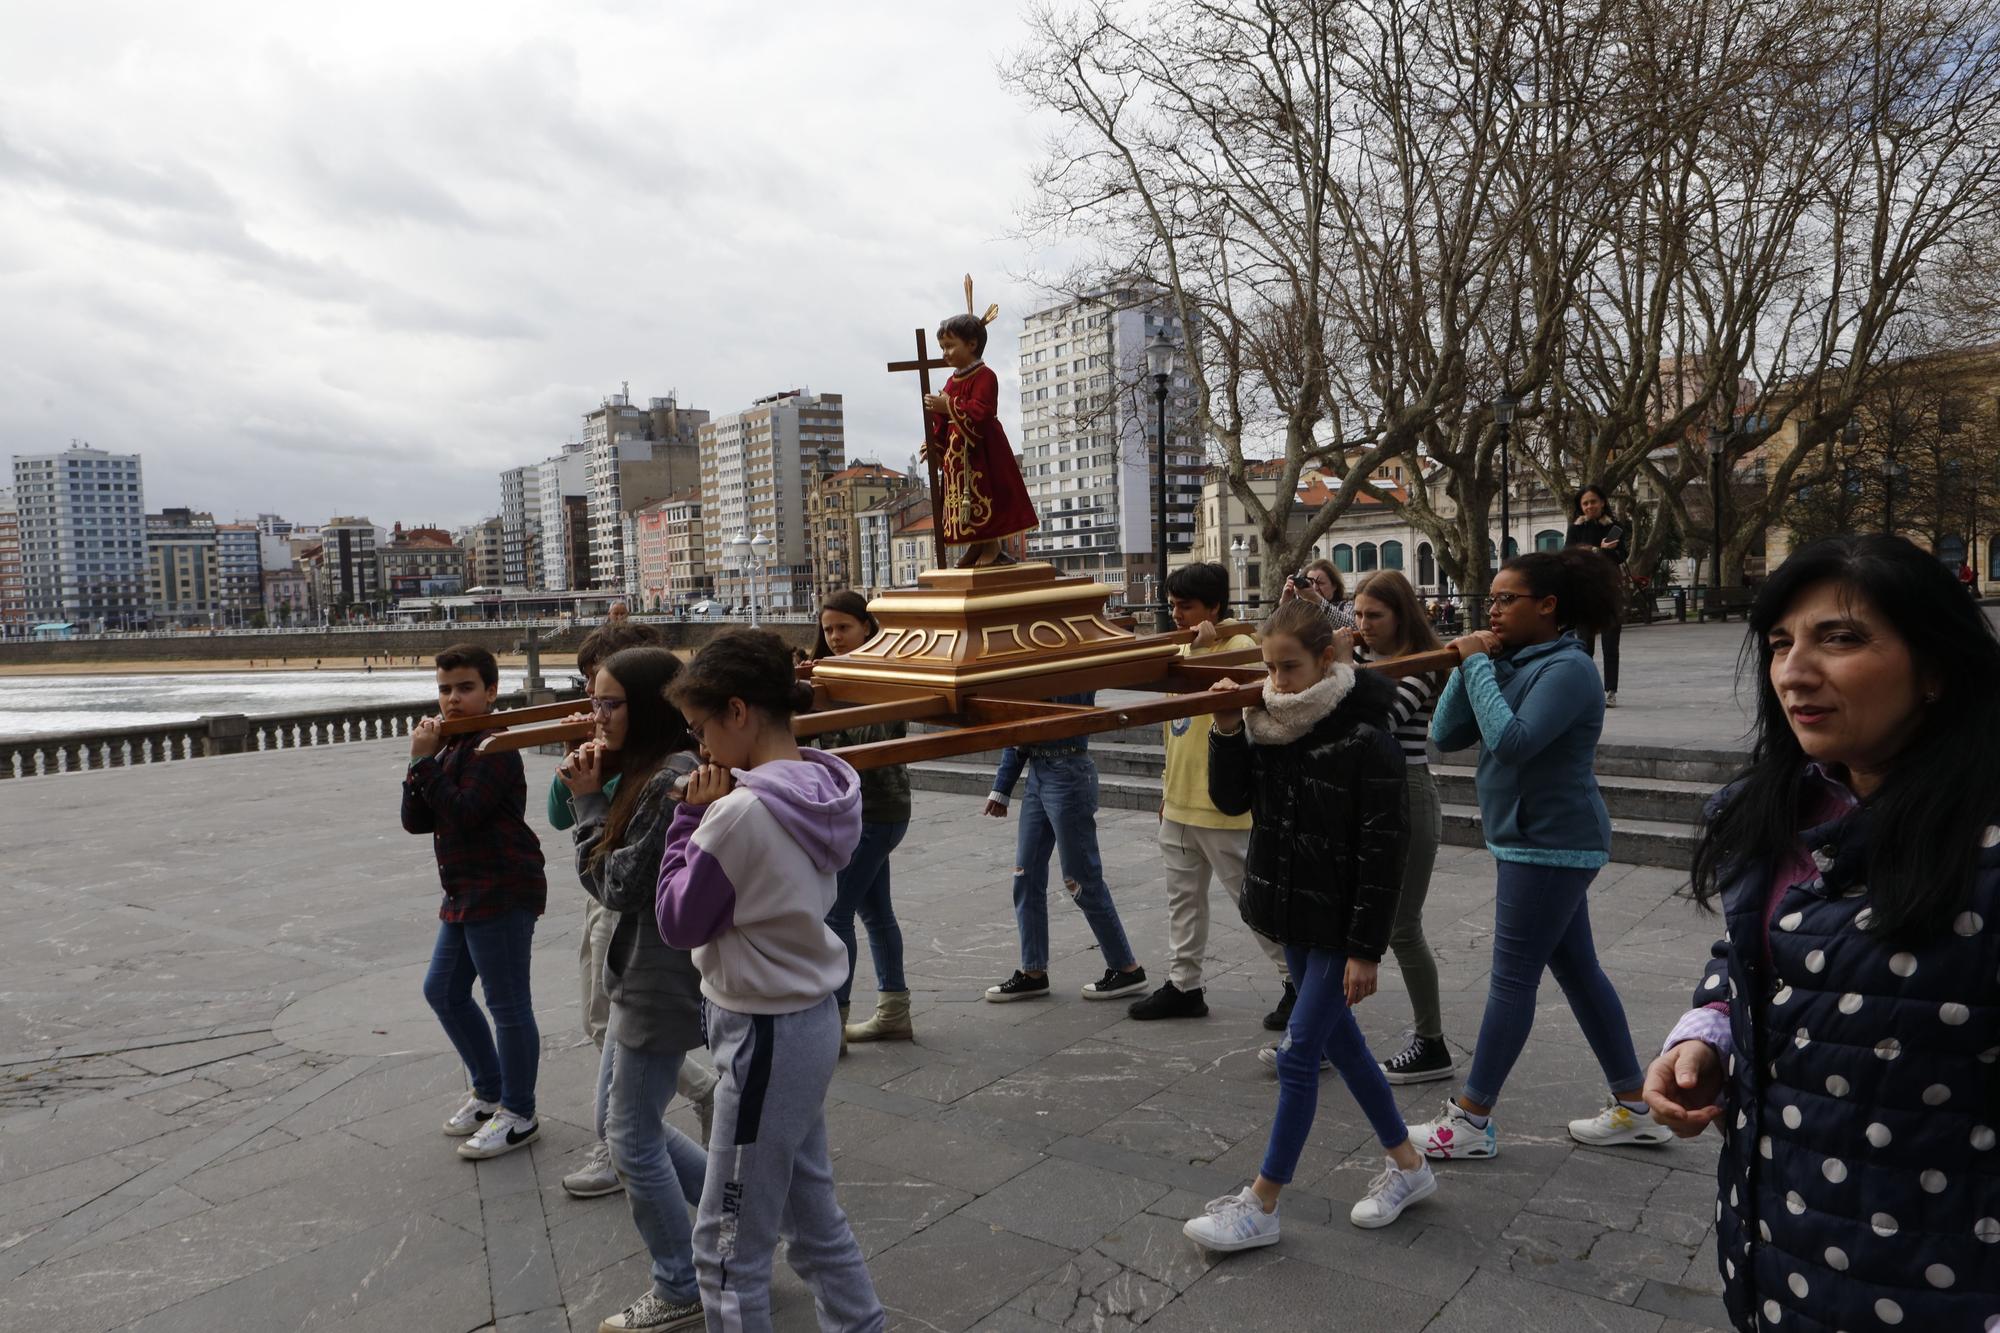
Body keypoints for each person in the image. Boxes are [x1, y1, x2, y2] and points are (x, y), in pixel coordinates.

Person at [1642, 534, 2000, 1333]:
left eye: (1840, 638)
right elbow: (1753, 953)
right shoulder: (1786, 808)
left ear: (1935, 667)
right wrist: (1707, 1034)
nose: (1794, 671)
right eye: (1779, 643)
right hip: (1777, 1260)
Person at [1182, 599, 1437, 1251]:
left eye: (1289, 666)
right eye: (1268, 666)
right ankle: (1410, 1165)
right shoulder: (1268, 717)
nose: (1277, 680)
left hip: (1341, 916)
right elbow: (1233, 799)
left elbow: (1386, 845)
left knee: (1301, 1052)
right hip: (1291, 907)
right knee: (1341, 1043)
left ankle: (1262, 1203)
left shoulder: (1366, 731)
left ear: (1327, 657)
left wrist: (1365, 947)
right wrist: (1225, 727)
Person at [656, 630, 883, 1331]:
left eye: (700, 731)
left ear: (737, 710)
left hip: (762, 1029)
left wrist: (685, 818)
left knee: (724, 1251)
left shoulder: (738, 812)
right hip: (803, 1016)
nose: (700, 751)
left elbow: (677, 918)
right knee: (809, 1214)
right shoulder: (821, 782)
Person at [1408, 549, 1667, 1159]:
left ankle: (1470, 1121)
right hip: (1528, 838)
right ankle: (1635, 1106)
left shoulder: (1570, 669)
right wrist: (1470, 666)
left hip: (1551, 842)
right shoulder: (1517, 660)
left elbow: (1514, 742)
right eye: (1490, 601)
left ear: (1547, 606)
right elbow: (1446, 737)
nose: (1491, 611)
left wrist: (1477, 669)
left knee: (1512, 980)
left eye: (1505, 600)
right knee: (1577, 970)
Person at [560, 646, 708, 1333]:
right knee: (621, 1128)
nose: (596, 715)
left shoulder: (670, 778)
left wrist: (590, 802)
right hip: (639, 969)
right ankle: (735, 1221)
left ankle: (680, 1282)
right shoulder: (649, 771)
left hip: (659, 975)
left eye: (609, 703)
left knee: (630, 1138)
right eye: (594, 700)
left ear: (647, 706)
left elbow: (618, 885)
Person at [1126, 561, 1291, 1024]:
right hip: (1180, 801)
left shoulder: (1239, 647)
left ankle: (1294, 979)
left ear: (1214, 607)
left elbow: (1226, 695)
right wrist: (1165, 790)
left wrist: (1195, 650)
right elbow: (1170, 729)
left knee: (1252, 901)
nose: (1176, 614)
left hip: (1223, 807)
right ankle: (1184, 984)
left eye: (1186, 606)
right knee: (1182, 901)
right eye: (1172, 605)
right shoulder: (1183, 647)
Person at [401, 643, 548, 1161]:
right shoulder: (452, 745)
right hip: (464, 889)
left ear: (491, 690)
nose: (452, 700)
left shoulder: (495, 746)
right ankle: (488, 1092)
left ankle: (518, 1112)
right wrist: (419, 762)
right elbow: (417, 820)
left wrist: (425, 765)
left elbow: (463, 811)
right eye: (444, 689)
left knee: (508, 1005)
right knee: (442, 990)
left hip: (503, 886)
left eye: (465, 688)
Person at [1350, 570, 1456, 1083]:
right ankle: (1324, 1033)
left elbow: (1375, 725)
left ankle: (1431, 1043)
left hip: (1406, 791)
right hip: (1363, 792)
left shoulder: (1418, 667)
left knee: (1401, 926)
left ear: (1401, 615)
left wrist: (1332, 673)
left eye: (1375, 615)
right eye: (1358, 613)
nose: (1363, 624)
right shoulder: (1358, 659)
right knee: (1345, 917)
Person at [981, 694, 1149, 1004]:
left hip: (1068, 771)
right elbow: (1017, 720)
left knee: (1081, 877)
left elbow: (1041, 709)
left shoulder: (1067, 657)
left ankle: (1127, 968)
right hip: (1038, 772)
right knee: (1025, 875)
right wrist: (1002, 787)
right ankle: (1033, 972)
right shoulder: (1031, 657)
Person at [812, 591, 915, 1045]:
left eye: (843, 628)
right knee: (876, 914)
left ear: (868, 629)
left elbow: (867, 741)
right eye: (828, 629)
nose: (834, 637)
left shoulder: (882, 675)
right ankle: (894, 1011)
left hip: (874, 810)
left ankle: (832, 1023)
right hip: (865, 811)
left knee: (836, 915)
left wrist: (821, 708)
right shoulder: (833, 675)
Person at [923, 308, 1037, 568]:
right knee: (965, 504)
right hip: (957, 454)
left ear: (972, 344)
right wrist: (934, 443)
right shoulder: (952, 381)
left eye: (950, 346)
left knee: (982, 497)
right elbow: (941, 420)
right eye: (942, 347)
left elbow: (982, 412)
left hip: (982, 452)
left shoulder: (986, 376)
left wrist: (948, 405)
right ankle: (977, 545)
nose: (945, 353)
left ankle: (992, 548)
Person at [1565, 484, 1628, 706]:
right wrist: (1598, 550)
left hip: (1610, 590)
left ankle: (1610, 691)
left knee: (1611, 645)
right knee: (1584, 646)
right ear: (1580, 507)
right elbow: (1569, 556)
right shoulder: (1575, 529)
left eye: (1593, 501)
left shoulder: (1615, 527)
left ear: (1602, 502)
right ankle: (1585, 689)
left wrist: (1597, 551)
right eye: (1585, 503)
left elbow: (1620, 556)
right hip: (1584, 591)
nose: (1590, 506)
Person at [1278, 557, 1356, 629]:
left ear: (1334, 586)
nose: (1315, 588)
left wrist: (1316, 599)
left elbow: (1352, 625)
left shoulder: (1347, 606)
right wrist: (1285, 605)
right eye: (1310, 583)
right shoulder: (1301, 611)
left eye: (1320, 583)